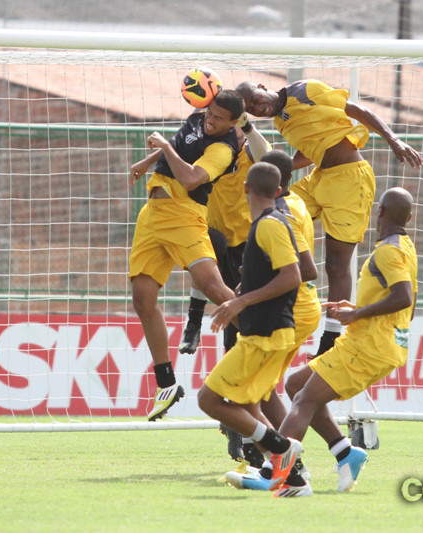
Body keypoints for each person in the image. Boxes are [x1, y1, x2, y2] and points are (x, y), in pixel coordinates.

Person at [236, 79, 423, 360]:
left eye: (254, 98)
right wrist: (280, 162)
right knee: (271, 210)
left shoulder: (305, 90)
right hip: (319, 179)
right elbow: (311, 151)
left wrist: (393, 139)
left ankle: (330, 340)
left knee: (336, 264)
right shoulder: (280, 121)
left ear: (262, 86)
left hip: (349, 179)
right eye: (250, 109)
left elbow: (356, 110)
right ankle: (263, 283)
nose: (256, 107)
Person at [273, 187, 418, 498]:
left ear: (378, 212)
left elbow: (403, 298)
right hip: (376, 342)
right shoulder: (406, 247)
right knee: (297, 385)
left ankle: (276, 473)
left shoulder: (388, 252)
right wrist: (355, 311)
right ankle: (345, 452)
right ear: (409, 217)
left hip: (367, 347)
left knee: (304, 401)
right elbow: (410, 304)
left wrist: (358, 315)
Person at [128, 90, 244, 421]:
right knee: (142, 298)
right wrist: (149, 161)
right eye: (210, 113)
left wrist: (163, 147)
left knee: (213, 286)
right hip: (152, 214)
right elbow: (179, 146)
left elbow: (192, 178)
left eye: (219, 119)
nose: (211, 120)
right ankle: (166, 384)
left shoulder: (223, 149)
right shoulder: (199, 118)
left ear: (233, 123)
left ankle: (263, 338)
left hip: (184, 215)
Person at [197, 161, 304, 493]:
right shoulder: (265, 225)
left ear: (244, 187)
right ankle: (294, 479)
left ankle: (282, 450)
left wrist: (240, 301)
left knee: (209, 399)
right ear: (278, 191)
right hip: (269, 333)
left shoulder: (270, 225)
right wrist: (246, 286)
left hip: (265, 335)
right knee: (247, 405)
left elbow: (293, 276)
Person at [179, 113, 271, 356]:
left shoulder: (250, 152)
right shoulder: (211, 150)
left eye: (236, 129)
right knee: (207, 254)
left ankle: (244, 363)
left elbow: (267, 157)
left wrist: (248, 126)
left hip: (245, 243)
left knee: (237, 316)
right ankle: (193, 323)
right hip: (212, 232)